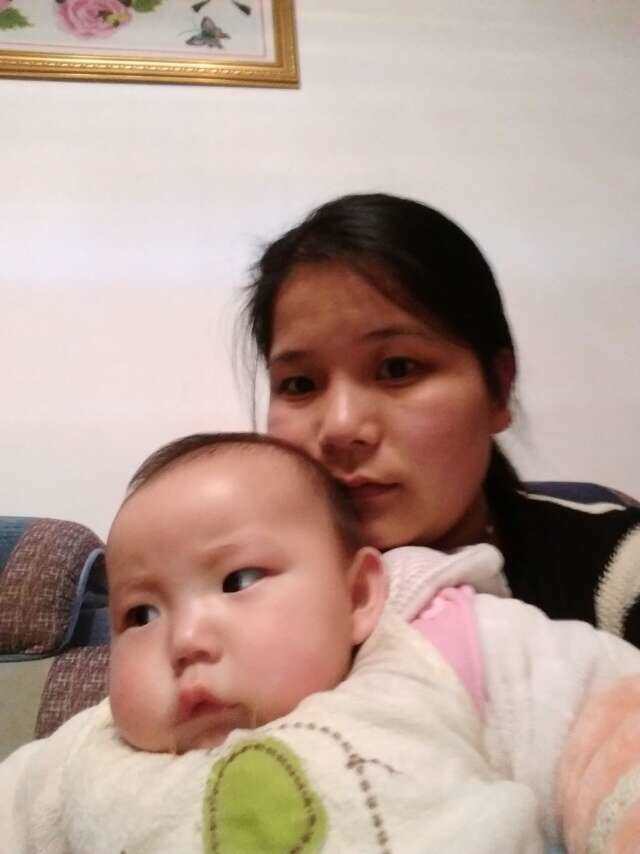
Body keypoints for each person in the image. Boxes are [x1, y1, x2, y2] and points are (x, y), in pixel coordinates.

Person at [2, 431, 640, 853]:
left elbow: (612, 717)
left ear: (358, 595)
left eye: (239, 580)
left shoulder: (439, 649)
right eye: (140, 614)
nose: (185, 640)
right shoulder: (82, 755)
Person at [242, 191, 640, 645]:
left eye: (398, 368)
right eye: (299, 384)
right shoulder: (236, 592)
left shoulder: (614, 563)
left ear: (498, 389)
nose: (341, 427)